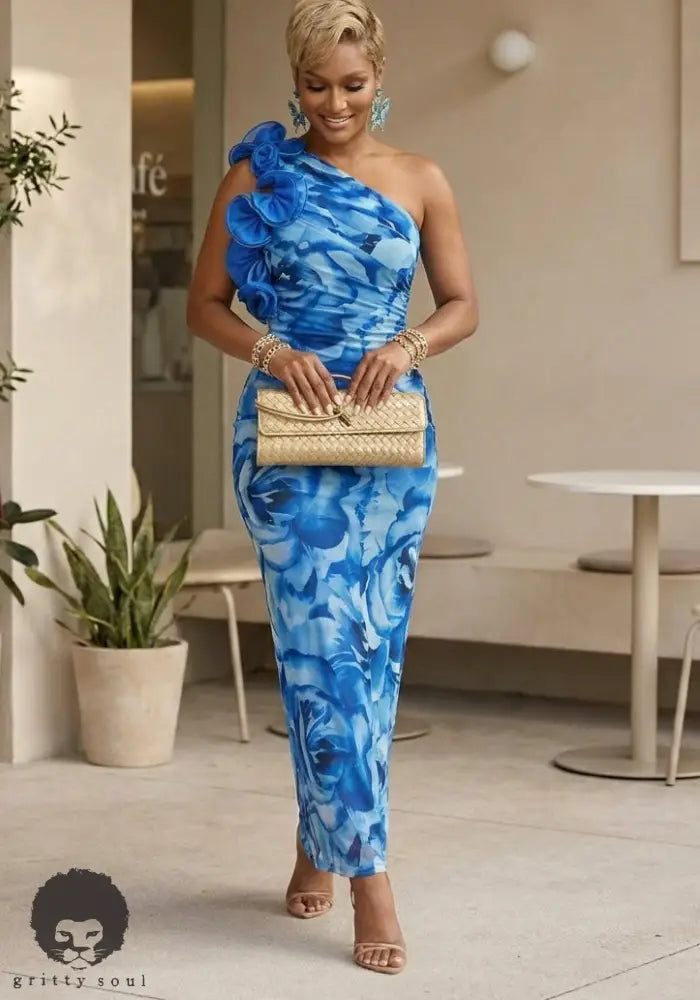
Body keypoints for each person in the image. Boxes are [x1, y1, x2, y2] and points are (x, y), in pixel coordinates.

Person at [186, 0, 478, 976]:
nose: (335, 102)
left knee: (371, 653)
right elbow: (205, 306)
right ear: (296, 82)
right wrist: (271, 345)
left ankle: (319, 839)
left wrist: (406, 344)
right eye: (317, 85)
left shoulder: (420, 178)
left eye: (351, 84)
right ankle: (369, 877)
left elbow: (462, 304)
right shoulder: (256, 174)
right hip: (285, 442)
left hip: (390, 441)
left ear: (378, 79)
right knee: (319, 654)